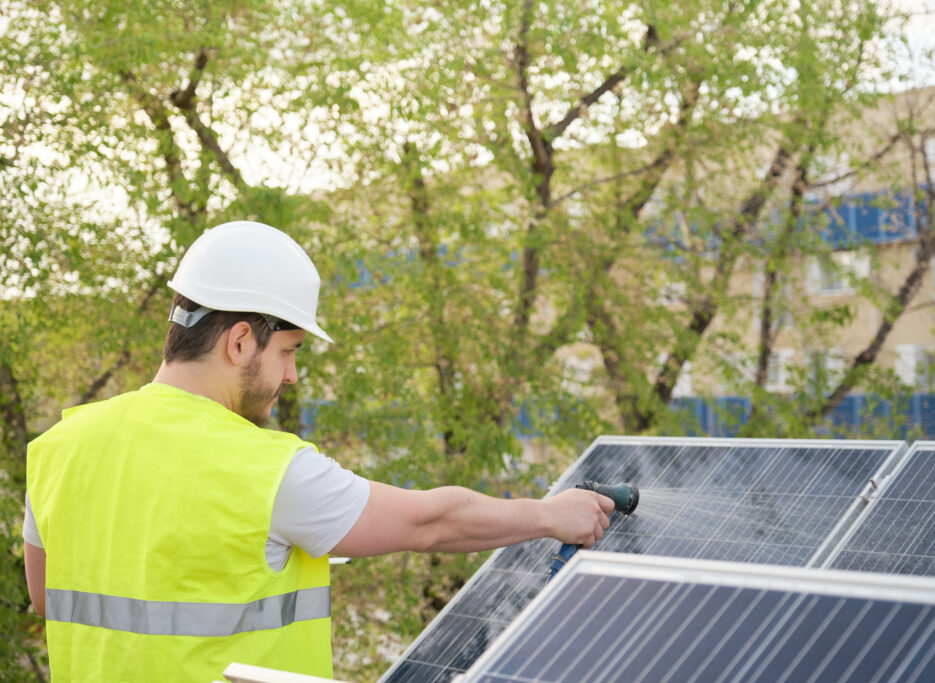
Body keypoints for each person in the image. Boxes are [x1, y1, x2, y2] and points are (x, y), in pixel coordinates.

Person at [23, 221, 613, 682]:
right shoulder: (267, 470)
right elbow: (430, 522)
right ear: (239, 341)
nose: (293, 375)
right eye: (288, 351)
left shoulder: (57, 449)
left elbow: (47, 597)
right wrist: (547, 514)